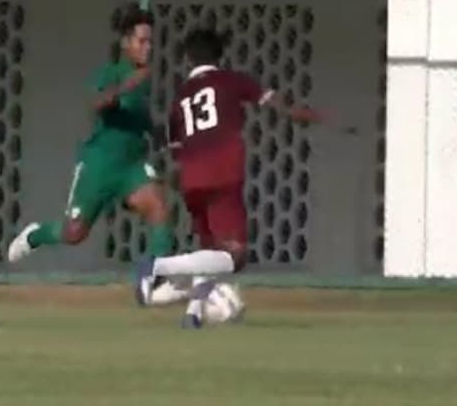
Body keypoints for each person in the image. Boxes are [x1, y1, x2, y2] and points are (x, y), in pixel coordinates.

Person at [135, 28, 325, 327]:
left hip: (190, 178)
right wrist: (310, 115)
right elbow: (279, 105)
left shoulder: (181, 97)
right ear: (219, 56)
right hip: (223, 172)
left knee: (210, 252)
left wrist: (176, 180)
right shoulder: (231, 80)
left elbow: (175, 148)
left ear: (188, 59)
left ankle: (193, 314)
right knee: (235, 255)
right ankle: (158, 266)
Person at [8, 2, 175, 304]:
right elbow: (97, 104)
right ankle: (35, 235)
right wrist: (124, 86)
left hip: (131, 166)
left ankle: (155, 279)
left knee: (159, 207)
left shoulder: (142, 78)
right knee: (74, 233)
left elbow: (140, 115)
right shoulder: (110, 73)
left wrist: (158, 134)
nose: (148, 47)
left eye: (151, 41)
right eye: (142, 41)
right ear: (125, 42)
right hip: (99, 164)